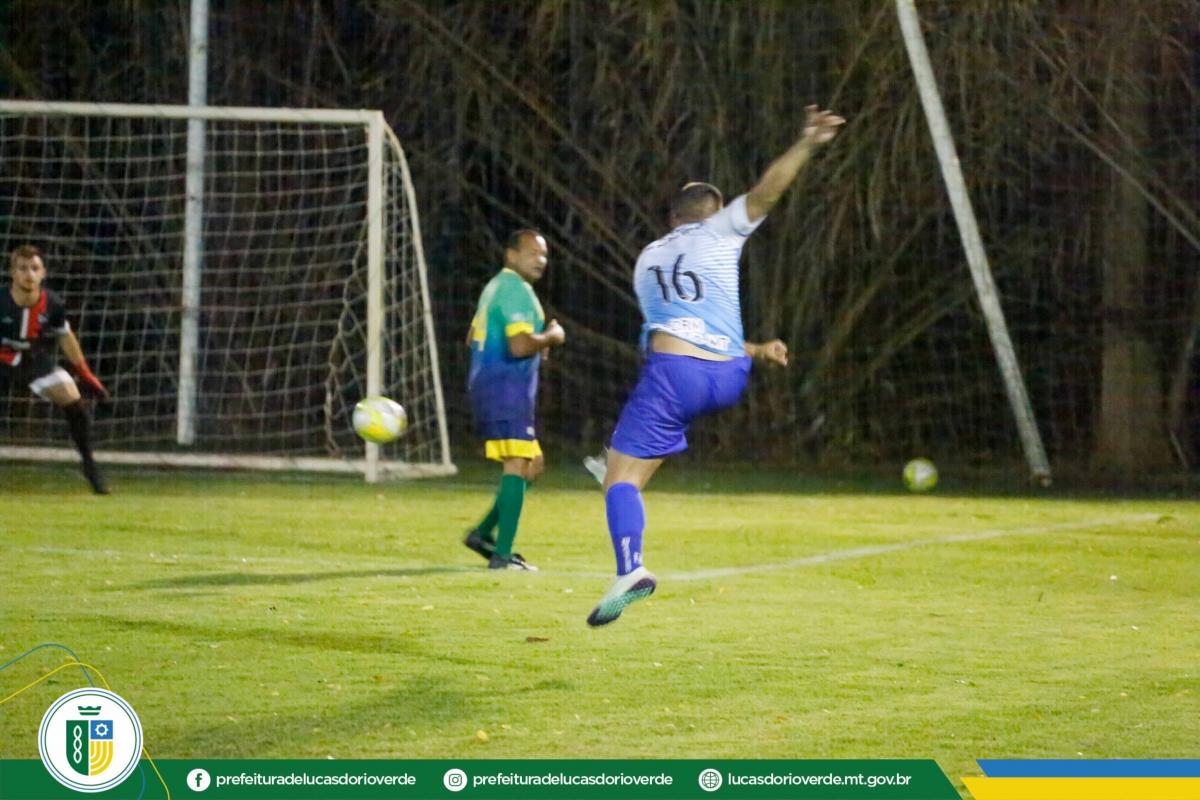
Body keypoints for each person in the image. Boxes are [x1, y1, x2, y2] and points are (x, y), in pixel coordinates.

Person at [587, 106, 844, 626]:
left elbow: (674, 332)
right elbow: (767, 193)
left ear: (673, 219)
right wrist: (806, 143)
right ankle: (620, 470)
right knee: (627, 468)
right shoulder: (723, 233)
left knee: (619, 480)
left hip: (676, 376)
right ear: (718, 209)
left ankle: (629, 570)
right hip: (728, 375)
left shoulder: (647, 259)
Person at [463, 230, 566, 570]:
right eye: (532, 253)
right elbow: (519, 346)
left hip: (495, 387)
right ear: (511, 255)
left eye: (544, 255)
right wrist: (551, 336)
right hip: (505, 389)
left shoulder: (496, 287)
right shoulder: (515, 289)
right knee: (518, 463)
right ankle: (502, 555)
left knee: (532, 465)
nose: (541, 260)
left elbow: (473, 336)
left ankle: (482, 534)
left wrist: (536, 343)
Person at [1, 245, 109, 494]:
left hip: (33, 359)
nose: (29, 274)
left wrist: (86, 374)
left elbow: (65, 336)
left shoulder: (53, 303)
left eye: (34, 268)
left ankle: (90, 468)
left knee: (74, 401)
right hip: (2, 357)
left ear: (43, 273)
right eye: (22, 268)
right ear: (13, 273)